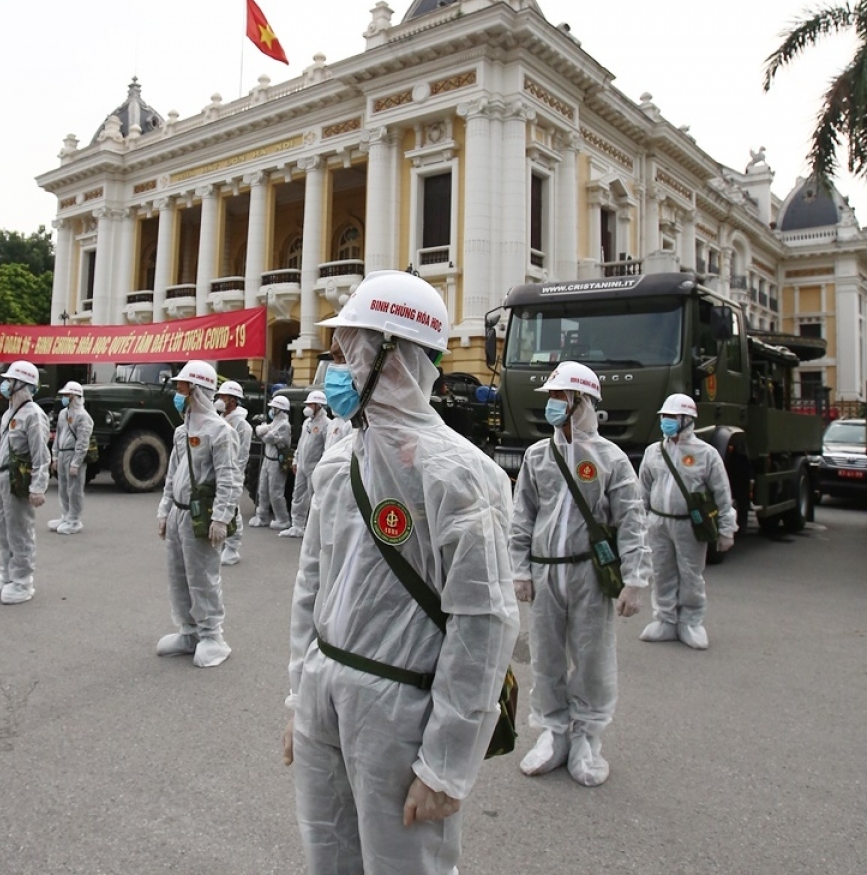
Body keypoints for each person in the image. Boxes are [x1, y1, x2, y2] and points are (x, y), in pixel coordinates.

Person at [286, 272, 518, 874]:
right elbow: (311, 586)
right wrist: (299, 700)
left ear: (393, 355)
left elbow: (483, 626)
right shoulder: (340, 461)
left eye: (349, 348)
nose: (334, 364)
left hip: (400, 712)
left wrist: (446, 764)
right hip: (324, 692)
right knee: (327, 855)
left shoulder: (461, 475)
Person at [509, 361, 650, 787]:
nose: (553, 404)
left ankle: (587, 737)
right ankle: (553, 732)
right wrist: (520, 569)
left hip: (590, 574)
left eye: (560, 397)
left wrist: (635, 578)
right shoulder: (537, 456)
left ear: (582, 402)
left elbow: (631, 520)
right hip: (547, 573)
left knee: (592, 657)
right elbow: (523, 517)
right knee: (548, 655)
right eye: (551, 396)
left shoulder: (611, 459)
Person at [155, 361, 240, 668]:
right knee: (178, 575)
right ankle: (189, 631)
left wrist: (221, 516)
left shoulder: (220, 432)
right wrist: (164, 511)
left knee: (202, 577)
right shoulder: (182, 431)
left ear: (197, 390)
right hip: (178, 514)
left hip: (200, 516)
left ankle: (211, 636)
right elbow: (172, 474)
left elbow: (229, 477)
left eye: (182, 387)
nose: (178, 393)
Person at [638, 393, 737, 650]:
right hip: (658, 523)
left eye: (671, 417)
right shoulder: (653, 452)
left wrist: (727, 529)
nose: (666, 422)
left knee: (691, 573)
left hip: (689, 525)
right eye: (664, 417)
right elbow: (643, 491)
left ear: (686, 419)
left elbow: (722, 494)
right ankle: (665, 620)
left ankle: (691, 622)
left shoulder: (706, 454)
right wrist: (639, 523)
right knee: (661, 572)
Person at [0, 362, 49, 604]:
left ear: (22, 383)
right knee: (2, 530)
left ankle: (22, 582)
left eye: (10, 380)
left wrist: (38, 486)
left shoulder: (34, 415)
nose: (6, 384)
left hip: (18, 480)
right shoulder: (8, 413)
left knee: (20, 531)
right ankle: (6, 575)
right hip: (1, 478)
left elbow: (41, 454)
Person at [280, 390, 329, 539]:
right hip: (302, 465)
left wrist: (322, 467)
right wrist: (296, 460)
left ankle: (314, 529)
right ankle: (297, 525)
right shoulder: (307, 422)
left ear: (318, 405)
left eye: (310, 404)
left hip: (315, 466)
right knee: (298, 495)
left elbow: (327, 447)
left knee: (314, 497)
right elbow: (302, 443)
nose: (307, 407)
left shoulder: (326, 424)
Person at [215, 380, 253, 566]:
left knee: (233, 509)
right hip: (217, 471)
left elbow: (241, 456)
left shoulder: (243, 426)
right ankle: (221, 543)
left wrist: (233, 477)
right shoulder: (220, 420)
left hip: (232, 473)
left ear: (233, 400)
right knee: (219, 507)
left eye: (223, 397)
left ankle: (232, 548)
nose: (220, 400)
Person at [49, 381, 94, 535]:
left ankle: (74, 519)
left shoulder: (83, 417)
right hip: (62, 453)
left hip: (73, 454)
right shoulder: (63, 414)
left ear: (75, 397)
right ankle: (66, 515)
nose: (64, 398)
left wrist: (76, 462)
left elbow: (83, 441)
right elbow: (58, 436)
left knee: (74, 488)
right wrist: (54, 456)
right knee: (63, 487)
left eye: (67, 395)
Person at [249, 393, 292, 530]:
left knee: (275, 492)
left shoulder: (284, 425)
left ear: (280, 409)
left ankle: (282, 518)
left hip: (276, 462)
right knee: (263, 489)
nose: (272, 410)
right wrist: (263, 431)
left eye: (274, 408)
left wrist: (263, 431)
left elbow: (268, 437)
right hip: (268, 460)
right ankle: (261, 516)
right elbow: (261, 430)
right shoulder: (275, 423)